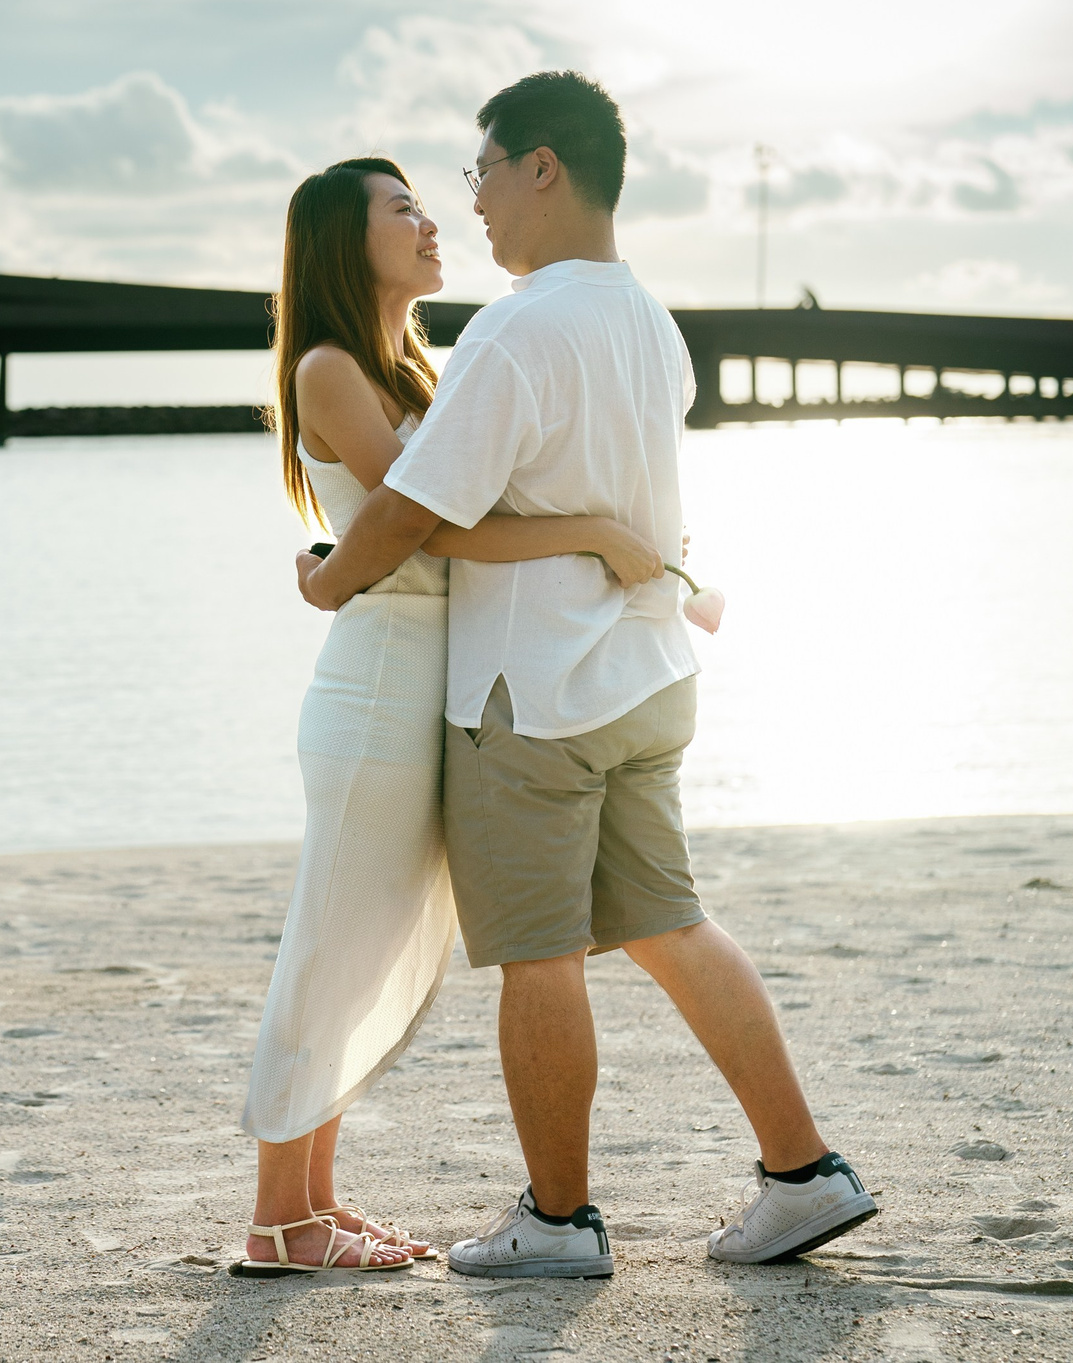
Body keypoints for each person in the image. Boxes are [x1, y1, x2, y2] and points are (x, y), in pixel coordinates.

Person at [297, 74, 879, 1278]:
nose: (477, 204)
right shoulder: (649, 323)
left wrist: (327, 577)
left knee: (539, 955)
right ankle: (801, 1171)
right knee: (672, 921)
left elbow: (420, 514)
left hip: (532, 693)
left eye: (482, 175)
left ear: (542, 169)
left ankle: (557, 1223)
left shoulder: (515, 328)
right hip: (645, 671)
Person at [235, 155, 666, 1277]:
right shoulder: (330, 370)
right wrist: (595, 534)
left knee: (376, 948)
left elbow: (450, 507)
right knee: (334, 940)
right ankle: (280, 1218)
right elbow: (427, 525)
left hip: (430, 689)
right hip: (377, 688)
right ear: (344, 240)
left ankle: (314, 1204)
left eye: (428, 203)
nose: (431, 223)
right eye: (402, 209)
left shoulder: (411, 365)